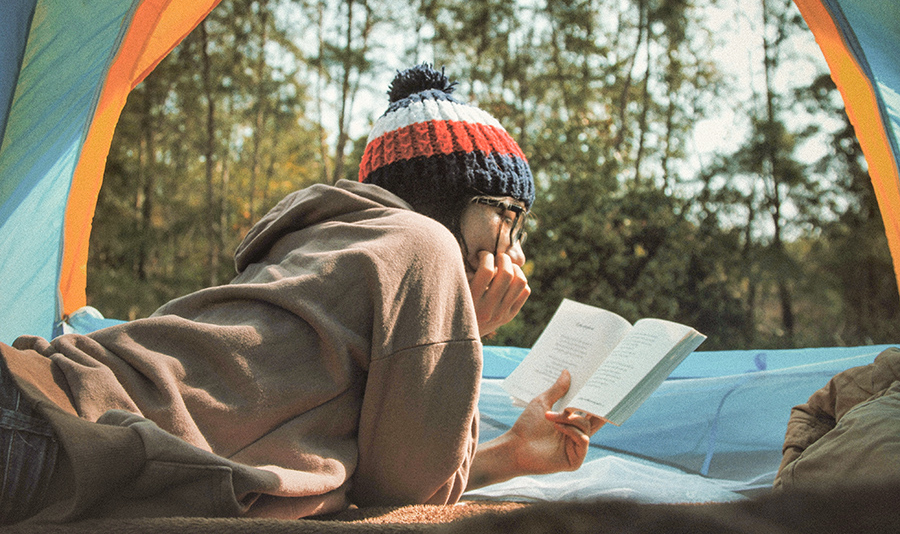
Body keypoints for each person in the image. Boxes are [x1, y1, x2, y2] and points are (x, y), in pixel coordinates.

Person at [0, 64, 604, 525]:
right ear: (448, 200)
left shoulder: (334, 246)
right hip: (54, 431)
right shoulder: (425, 246)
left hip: (39, 407)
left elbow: (374, 465)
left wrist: (511, 454)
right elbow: (409, 500)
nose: (518, 250)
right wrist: (467, 327)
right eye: (509, 217)